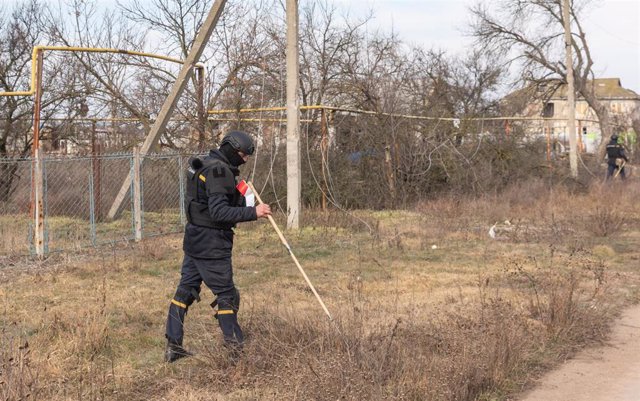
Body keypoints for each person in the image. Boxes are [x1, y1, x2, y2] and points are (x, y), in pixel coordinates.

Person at [164, 130, 271, 363]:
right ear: (232, 149)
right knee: (227, 295)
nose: (245, 159)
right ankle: (235, 352)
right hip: (212, 243)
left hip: (194, 237)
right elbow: (219, 211)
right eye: (243, 155)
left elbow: (206, 201)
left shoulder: (203, 163)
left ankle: (173, 346)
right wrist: (255, 212)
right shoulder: (220, 171)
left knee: (186, 289)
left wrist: (240, 195)